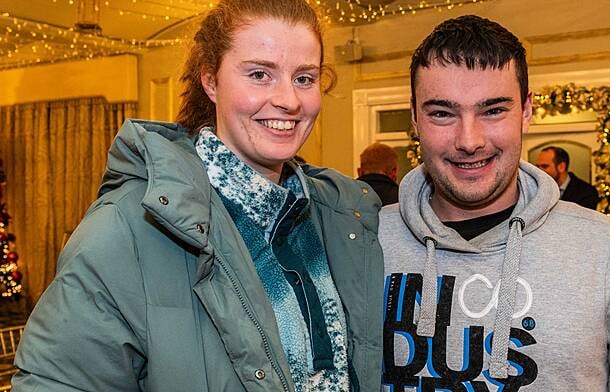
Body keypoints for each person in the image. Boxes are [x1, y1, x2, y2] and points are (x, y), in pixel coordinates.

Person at [13, 1, 383, 391]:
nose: (289, 100)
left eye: (304, 78)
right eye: (260, 74)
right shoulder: (125, 228)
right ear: (210, 82)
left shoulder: (343, 220)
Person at [380, 14, 610, 391]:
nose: (469, 140)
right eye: (442, 113)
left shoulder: (609, 251)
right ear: (415, 118)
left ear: (527, 111)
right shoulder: (369, 240)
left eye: (493, 110)